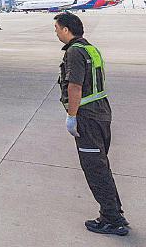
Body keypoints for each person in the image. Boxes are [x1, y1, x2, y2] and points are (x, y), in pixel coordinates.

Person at [55, 12, 129, 236]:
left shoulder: (74, 52)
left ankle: (112, 220)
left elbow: (75, 86)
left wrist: (72, 116)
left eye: (57, 28)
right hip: (101, 113)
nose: (56, 33)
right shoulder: (90, 49)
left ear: (66, 29)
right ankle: (114, 212)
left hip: (87, 117)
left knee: (95, 169)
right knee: (101, 166)